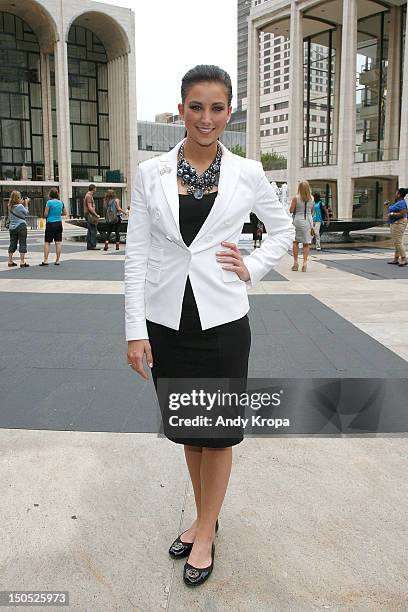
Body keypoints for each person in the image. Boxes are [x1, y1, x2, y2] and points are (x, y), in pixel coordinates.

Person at [125, 64, 294, 587]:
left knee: (217, 435)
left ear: (228, 113)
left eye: (217, 108)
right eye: (196, 107)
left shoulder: (246, 172)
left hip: (222, 319)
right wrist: (136, 330)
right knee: (190, 434)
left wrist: (254, 265)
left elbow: (283, 228)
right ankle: (206, 519)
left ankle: (204, 532)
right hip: (167, 320)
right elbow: (135, 253)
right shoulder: (150, 172)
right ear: (181, 109)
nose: (206, 117)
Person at [290, 181, 314, 272]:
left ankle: (295, 263)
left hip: (298, 220)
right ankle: (305, 263)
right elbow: (312, 211)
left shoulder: (296, 198)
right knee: (306, 243)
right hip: (308, 221)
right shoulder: (312, 198)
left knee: (295, 241)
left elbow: (291, 210)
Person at [39, 188, 66, 266]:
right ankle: (57, 260)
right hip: (58, 223)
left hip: (50, 223)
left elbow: (46, 214)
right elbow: (65, 213)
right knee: (58, 242)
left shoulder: (49, 202)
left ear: (50, 194)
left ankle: (46, 260)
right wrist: (58, 214)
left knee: (47, 242)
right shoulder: (61, 202)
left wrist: (51, 214)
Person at [384, 187, 408, 266]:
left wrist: (392, 214)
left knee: (398, 241)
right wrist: (387, 206)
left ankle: (404, 259)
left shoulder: (401, 203)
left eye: (397, 192)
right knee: (396, 242)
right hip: (395, 223)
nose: (395, 193)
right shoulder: (399, 202)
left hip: (399, 223)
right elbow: (393, 209)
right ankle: (396, 259)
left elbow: (403, 213)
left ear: (399, 194)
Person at [7, 190, 29, 268]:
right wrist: (26, 204)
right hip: (21, 226)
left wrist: (21, 203)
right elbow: (26, 212)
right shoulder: (20, 206)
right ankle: (22, 262)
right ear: (18, 197)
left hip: (12, 227)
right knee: (22, 243)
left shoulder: (9, 206)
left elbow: (15, 211)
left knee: (12, 243)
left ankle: (10, 261)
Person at [83, 184, 100, 250]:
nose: (96, 189)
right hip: (90, 215)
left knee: (90, 230)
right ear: (93, 189)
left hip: (88, 214)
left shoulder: (88, 195)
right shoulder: (89, 196)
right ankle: (92, 245)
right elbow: (90, 207)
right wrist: (96, 215)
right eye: (95, 188)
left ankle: (89, 245)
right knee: (93, 230)